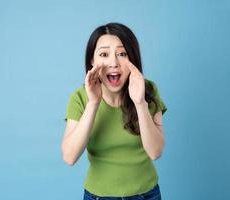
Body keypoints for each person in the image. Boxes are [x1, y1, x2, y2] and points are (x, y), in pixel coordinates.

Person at [61, 22, 167, 200]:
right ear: (92, 61)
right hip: (98, 197)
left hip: (147, 195)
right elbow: (69, 157)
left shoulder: (148, 90)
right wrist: (93, 103)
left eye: (122, 54)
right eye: (104, 54)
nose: (114, 63)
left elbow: (155, 152)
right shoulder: (79, 98)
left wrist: (140, 103)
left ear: (132, 58)